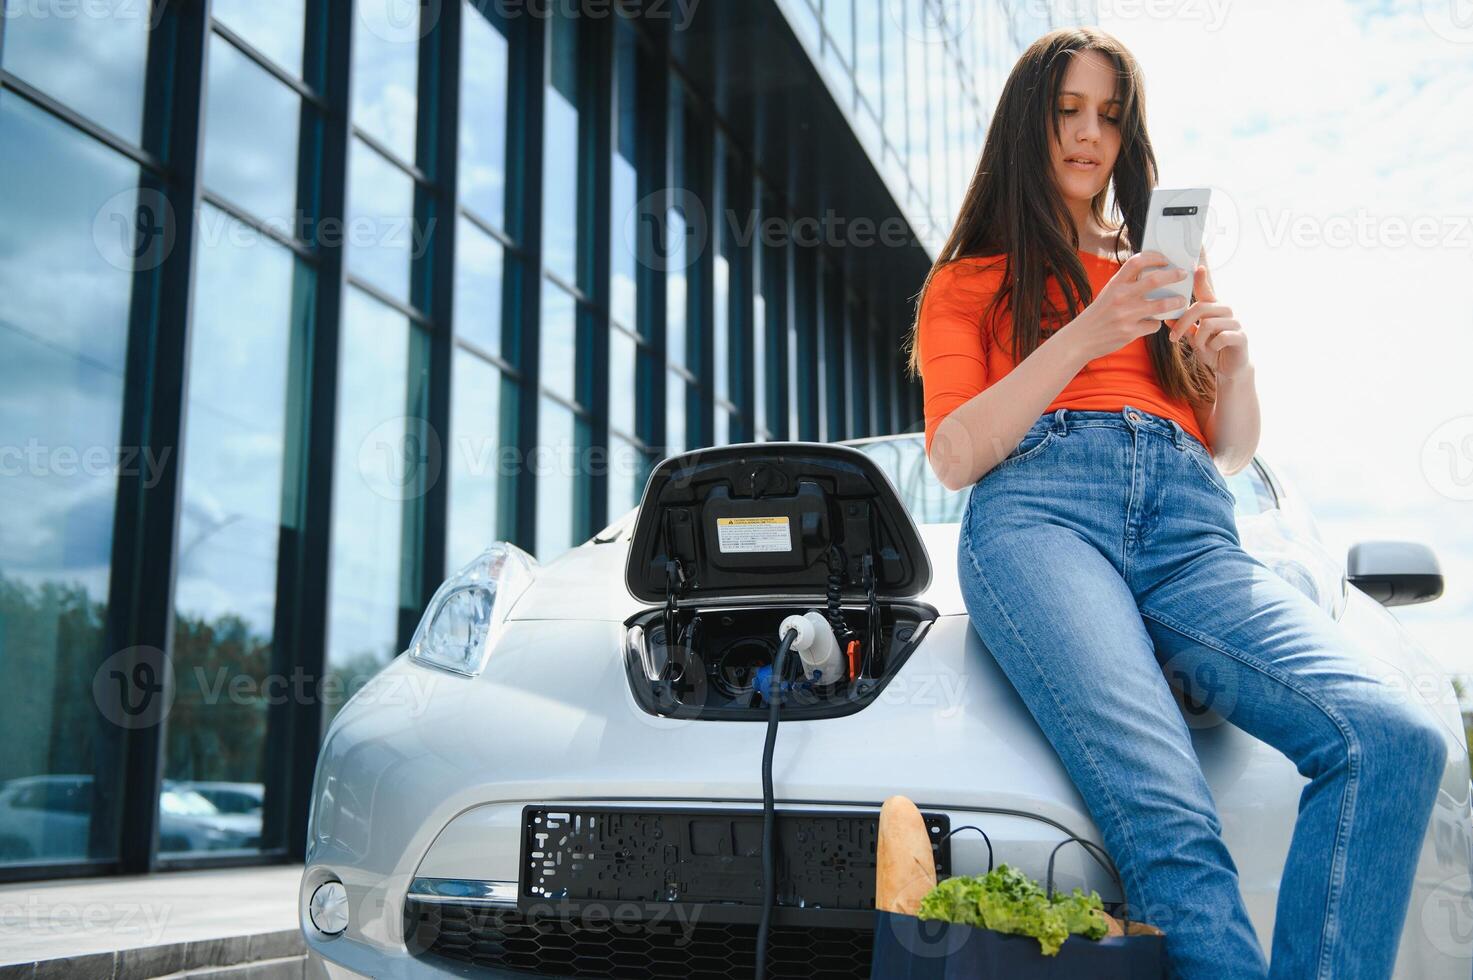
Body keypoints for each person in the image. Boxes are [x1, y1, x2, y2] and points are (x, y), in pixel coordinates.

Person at [904, 26, 1448, 980]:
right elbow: (954, 456)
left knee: (1390, 737)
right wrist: (1087, 331)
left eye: (1109, 117)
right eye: (1067, 112)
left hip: (1193, 529)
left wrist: (1232, 371)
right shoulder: (967, 282)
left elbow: (1229, 448)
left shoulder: (1161, 268)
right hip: (1043, 519)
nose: (1088, 137)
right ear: (1025, 125)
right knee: (1165, 813)